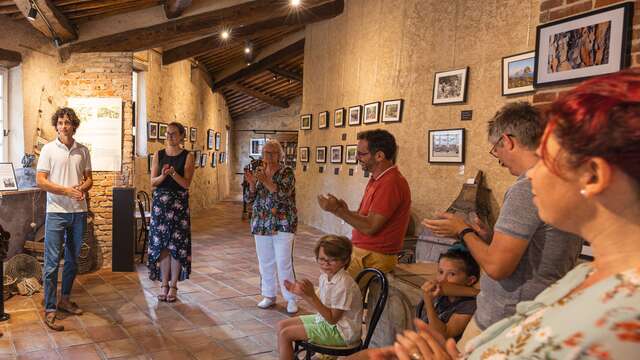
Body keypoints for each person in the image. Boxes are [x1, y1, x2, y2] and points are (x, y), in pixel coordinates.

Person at [370, 69, 640, 360]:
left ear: (593, 176)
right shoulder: (586, 276)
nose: (532, 175)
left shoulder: (622, 312)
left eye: (547, 159)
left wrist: (464, 231)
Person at [423, 102, 583, 348]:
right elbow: (535, 250)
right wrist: (487, 240)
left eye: (495, 149)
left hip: (505, 321)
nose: (498, 158)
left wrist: (462, 230)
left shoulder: (527, 186)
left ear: (507, 141)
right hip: (537, 314)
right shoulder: (561, 178)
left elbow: (497, 268)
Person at [318, 129, 411, 277]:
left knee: (341, 295)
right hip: (366, 254)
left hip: (374, 257)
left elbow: (370, 227)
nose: (357, 157)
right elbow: (367, 217)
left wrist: (338, 211)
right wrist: (345, 211)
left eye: (362, 154)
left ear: (379, 155)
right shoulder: (378, 179)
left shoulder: (391, 182)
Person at [36, 107, 93, 331]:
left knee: (72, 259)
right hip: (56, 212)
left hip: (79, 212)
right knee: (51, 263)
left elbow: (89, 179)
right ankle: (50, 308)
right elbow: (41, 180)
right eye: (60, 123)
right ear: (56, 125)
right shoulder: (49, 149)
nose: (63, 126)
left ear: (74, 125)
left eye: (67, 122)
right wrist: (66, 191)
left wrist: (82, 188)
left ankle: (65, 299)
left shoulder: (83, 150)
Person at [277, 235, 363, 360]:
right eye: (322, 259)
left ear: (345, 260)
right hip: (327, 323)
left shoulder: (344, 284)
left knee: (286, 334)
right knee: (281, 325)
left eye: (332, 260)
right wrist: (303, 293)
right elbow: (320, 303)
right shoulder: (325, 276)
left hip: (342, 332)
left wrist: (311, 295)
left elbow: (332, 319)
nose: (326, 264)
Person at [244, 140, 299, 313]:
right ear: (262, 154)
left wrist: (265, 180)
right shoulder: (259, 171)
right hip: (261, 222)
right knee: (265, 261)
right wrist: (252, 183)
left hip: (283, 222)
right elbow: (249, 199)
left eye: (274, 152)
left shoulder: (287, 172)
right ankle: (269, 295)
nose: (270, 156)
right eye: (266, 152)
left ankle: (291, 298)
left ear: (280, 155)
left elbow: (282, 194)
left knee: (283, 262)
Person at [148, 122, 195, 302]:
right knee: (163, 247)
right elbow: (153, 182)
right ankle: (164, 284)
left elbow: (186, 184)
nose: (169, 136)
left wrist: (174, 174)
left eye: (174, 134)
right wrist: (164, 175)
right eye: (167, 134)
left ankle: (174, 286)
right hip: (160, 207)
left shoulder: (187, 156)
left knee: (177, 246)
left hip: (178, 207)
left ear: (182, 136)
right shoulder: (158, 155)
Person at [418, 245, 479, 342]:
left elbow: (442, 335)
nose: (442, 279)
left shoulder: (469, 305)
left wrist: (428, 302)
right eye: (441, 272)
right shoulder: (442, 295)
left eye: (452, 274)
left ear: (470, 280)